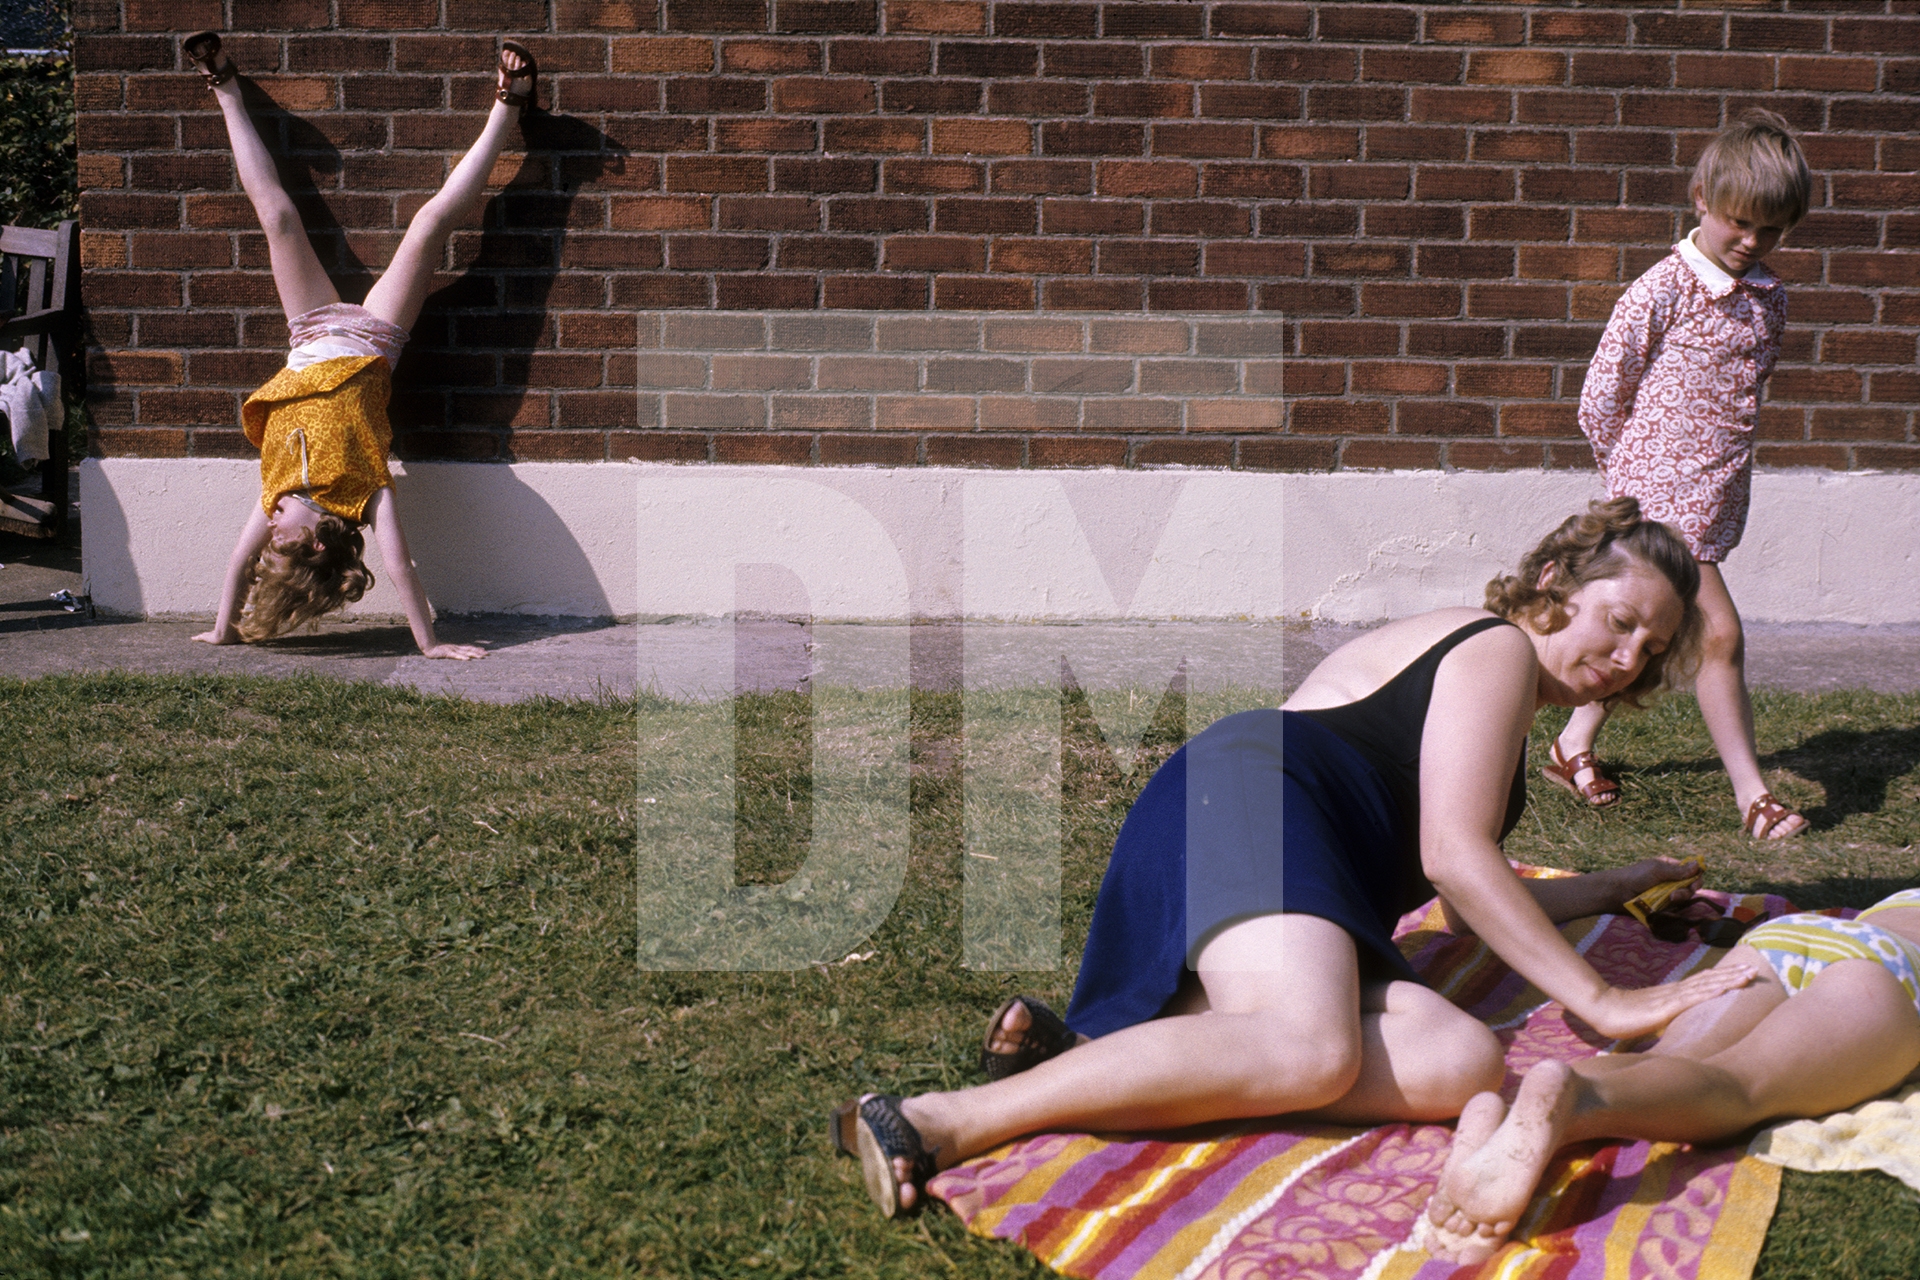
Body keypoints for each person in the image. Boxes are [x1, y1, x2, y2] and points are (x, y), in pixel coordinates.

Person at [836, 499, 1763, 1219]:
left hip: (1292, 855)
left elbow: (1469, 893)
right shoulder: (1496, 651)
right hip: (1255, 799)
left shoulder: (1505, 698)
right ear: (1559, 578)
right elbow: (1453, 858)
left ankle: (1095, 1054)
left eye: (1653, 647)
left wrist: (1624, 887)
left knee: (1458, 1061)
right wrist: (1601, 998)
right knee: (1316, 1048)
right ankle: (936, 1118)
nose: (1631, 656)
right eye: (1623, 620)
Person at [183, 31, 540, 660]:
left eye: (269, 535)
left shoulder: (276, 494)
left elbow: (239, 568)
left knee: (278, 217)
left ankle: (226, 88)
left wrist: (222, 628)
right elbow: (402, 570)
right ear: (316, 542)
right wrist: (430, 645)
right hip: (376, 339)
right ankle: (508, 109)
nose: (269, 528)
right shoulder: (366, 493)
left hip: (311, 330)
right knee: (430, 222)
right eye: (281, 539)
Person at [1549, 110, 1811, 840]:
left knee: (1642, 637)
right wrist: (1628, 482)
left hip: (1715, 496)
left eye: (1771, 230)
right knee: (1718, 634)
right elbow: (1600, 397)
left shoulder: (1769, 298)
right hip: (1655, 498)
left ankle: (1571, 743)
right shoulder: (1660, 289)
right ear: (1701, 197)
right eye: (1739, 222)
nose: (1752, 242)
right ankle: (1752, 797)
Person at [1421, 888, 1920, 1264]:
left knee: (1670, 1059)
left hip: (1792, 937)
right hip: (1887, 972)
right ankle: (1578, 1101)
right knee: (1738, 1086)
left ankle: (1533, 1112)